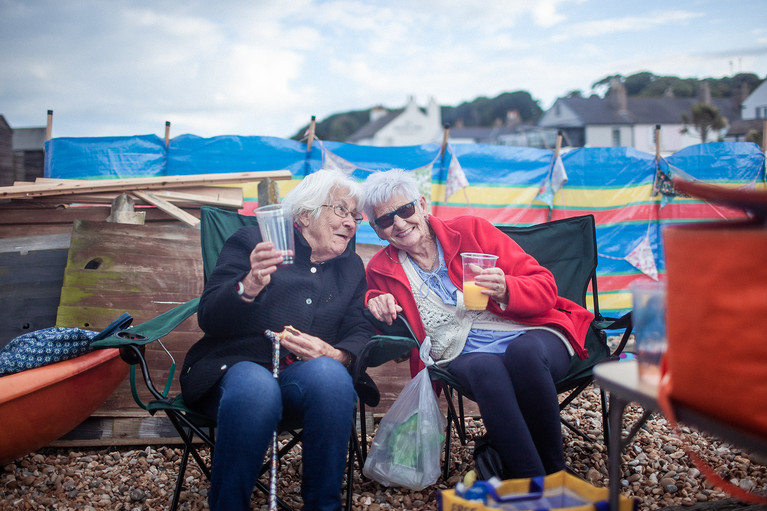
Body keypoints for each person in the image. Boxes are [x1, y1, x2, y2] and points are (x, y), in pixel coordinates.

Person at [362, 169, 594, 478]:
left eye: (405, 210)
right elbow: (394, 341)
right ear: (377, 230)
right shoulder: (381, 269)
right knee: (486, 368)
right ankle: (533, 481)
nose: (400, 224)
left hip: (528, 333)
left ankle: (554, 473)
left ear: (422, 204)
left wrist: (507, 288)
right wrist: (374, 303)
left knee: (523, 353)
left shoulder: (471, 230)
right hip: (460, 354)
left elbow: (545, 286)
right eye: (386, 220)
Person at [180, 168, 372, 511]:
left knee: (332, 378)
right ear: (304, 214)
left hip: (299, 378)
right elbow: (209, 316)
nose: (351, 223)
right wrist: (250, 283)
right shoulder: (255, 243)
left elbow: (359, 328)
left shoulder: (352, 267)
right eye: (340, 210)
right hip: (236, 367)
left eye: (355, 215)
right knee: (257, 389)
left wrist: (336, 353)